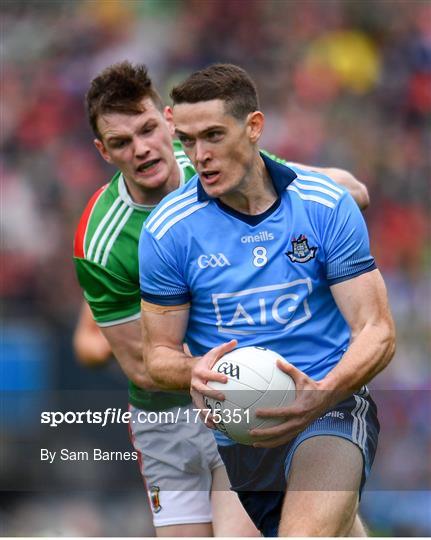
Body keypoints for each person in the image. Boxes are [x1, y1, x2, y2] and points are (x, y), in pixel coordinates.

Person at [73, 61, 368, 537]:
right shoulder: (102, 242)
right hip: (167, 418)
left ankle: (326, 502)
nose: (143, 149)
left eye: (149, 129)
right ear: (102, 151)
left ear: (168, 121)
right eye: (122, 143)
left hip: (241, 401)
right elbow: (144, 367)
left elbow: (328, 189)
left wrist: (343, 193)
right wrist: (224, 373)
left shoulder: (216, 164)